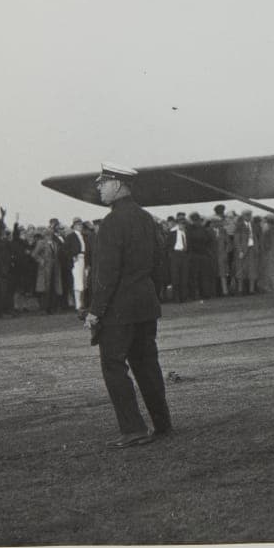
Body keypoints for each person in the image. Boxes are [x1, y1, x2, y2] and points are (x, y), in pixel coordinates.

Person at [84, 163, 173, 449]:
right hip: (145, 305)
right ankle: (162, 423)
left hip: (119, 308)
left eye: (103, 183)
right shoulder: (147, 219)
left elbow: (106, 273)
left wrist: (95, 310)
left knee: (113, 365)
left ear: (118, 185)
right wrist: (151, 294)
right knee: (147, 364)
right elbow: (161, 264)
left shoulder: (111, 222)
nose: (99, 187)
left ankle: (133, 429)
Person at [65, 218, 91, 315]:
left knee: (84, 282)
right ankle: (78, 305)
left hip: (84, 259)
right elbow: (65, 249)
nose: (80, 226)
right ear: (74, 226)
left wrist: (88, 263)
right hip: (77, 260)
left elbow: (88, 250)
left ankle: (82, 303)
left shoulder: (84, 236)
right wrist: (72, 256)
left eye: (81, 225)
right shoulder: (70, 237)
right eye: (78, 225)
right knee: (78, 282)